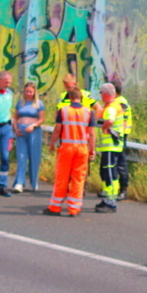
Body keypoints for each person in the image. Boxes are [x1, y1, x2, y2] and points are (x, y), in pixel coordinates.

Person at [46, 87, 95, 217]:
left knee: (62, 177)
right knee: (78, 179)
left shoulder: (64, 111)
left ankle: (55, 207)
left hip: (67, 148)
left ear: (69, 98)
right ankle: (74, 209)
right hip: (82, 149)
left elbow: (57, 130)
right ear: (81, 98)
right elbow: (91, 134)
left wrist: (51, 143)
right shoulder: (89, 112)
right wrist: (93, 150)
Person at [94, 82, 126, 213]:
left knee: (110, 174)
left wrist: (104, 127)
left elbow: (110, 120)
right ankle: (107, 199)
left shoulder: (111, 108)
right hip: (113, 146)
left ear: (106, 94)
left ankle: (111, 202)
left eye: (101, 93)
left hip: (110, 147)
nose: (100, 95)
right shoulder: (115, 105)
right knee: (109, 173)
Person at [13, 81, 46, 192]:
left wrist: (34, 125)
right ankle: (19, 182)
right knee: (21, 157)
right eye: (27, 91)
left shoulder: (39, 104)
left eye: (30, 92)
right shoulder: (20, 103)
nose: (28, 93)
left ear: (34, 92)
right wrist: (16, 128)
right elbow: (15, 117)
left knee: (34, 157)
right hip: (21, 132)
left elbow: (41, 119)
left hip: (34, 131)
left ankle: (33, 182)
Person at [111, 79, 133, 201]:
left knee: (120, 163)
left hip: (120, 136)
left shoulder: (120, 103)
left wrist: (119, 135)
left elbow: (124, 121)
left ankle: (123, 190)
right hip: (118, 135)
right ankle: (113, 189)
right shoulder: (117, 102)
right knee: (115, 163)